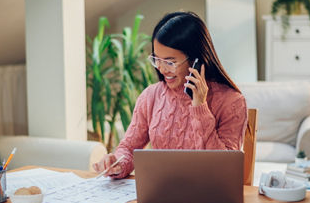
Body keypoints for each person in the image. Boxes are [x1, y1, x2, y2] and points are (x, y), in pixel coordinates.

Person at [93, 11, 247, 179]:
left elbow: (225, 169)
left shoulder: (232, 102)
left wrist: (200, 108)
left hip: (209, 199)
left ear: (197, 60)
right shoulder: (150, 96)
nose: (161, 68)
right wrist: (116, 162)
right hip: (160, 193)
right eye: (156, 59)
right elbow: (128, 148)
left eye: (170, 62)